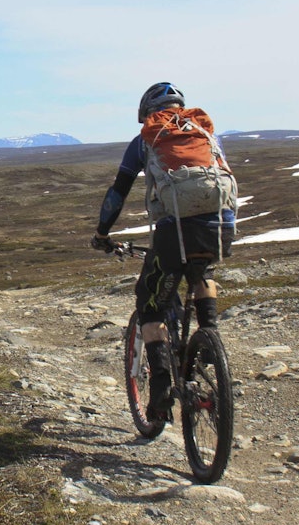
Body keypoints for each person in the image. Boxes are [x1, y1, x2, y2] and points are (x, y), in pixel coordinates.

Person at [90, 82, 236, 423]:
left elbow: (118, 192)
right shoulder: (207, 134)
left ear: (147, 113)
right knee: (202, 271)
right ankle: (209, 334)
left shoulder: (145, 140)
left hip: (175, 231)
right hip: (220, 224)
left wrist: (102, 233)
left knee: (150, 303)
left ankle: (158, 390)